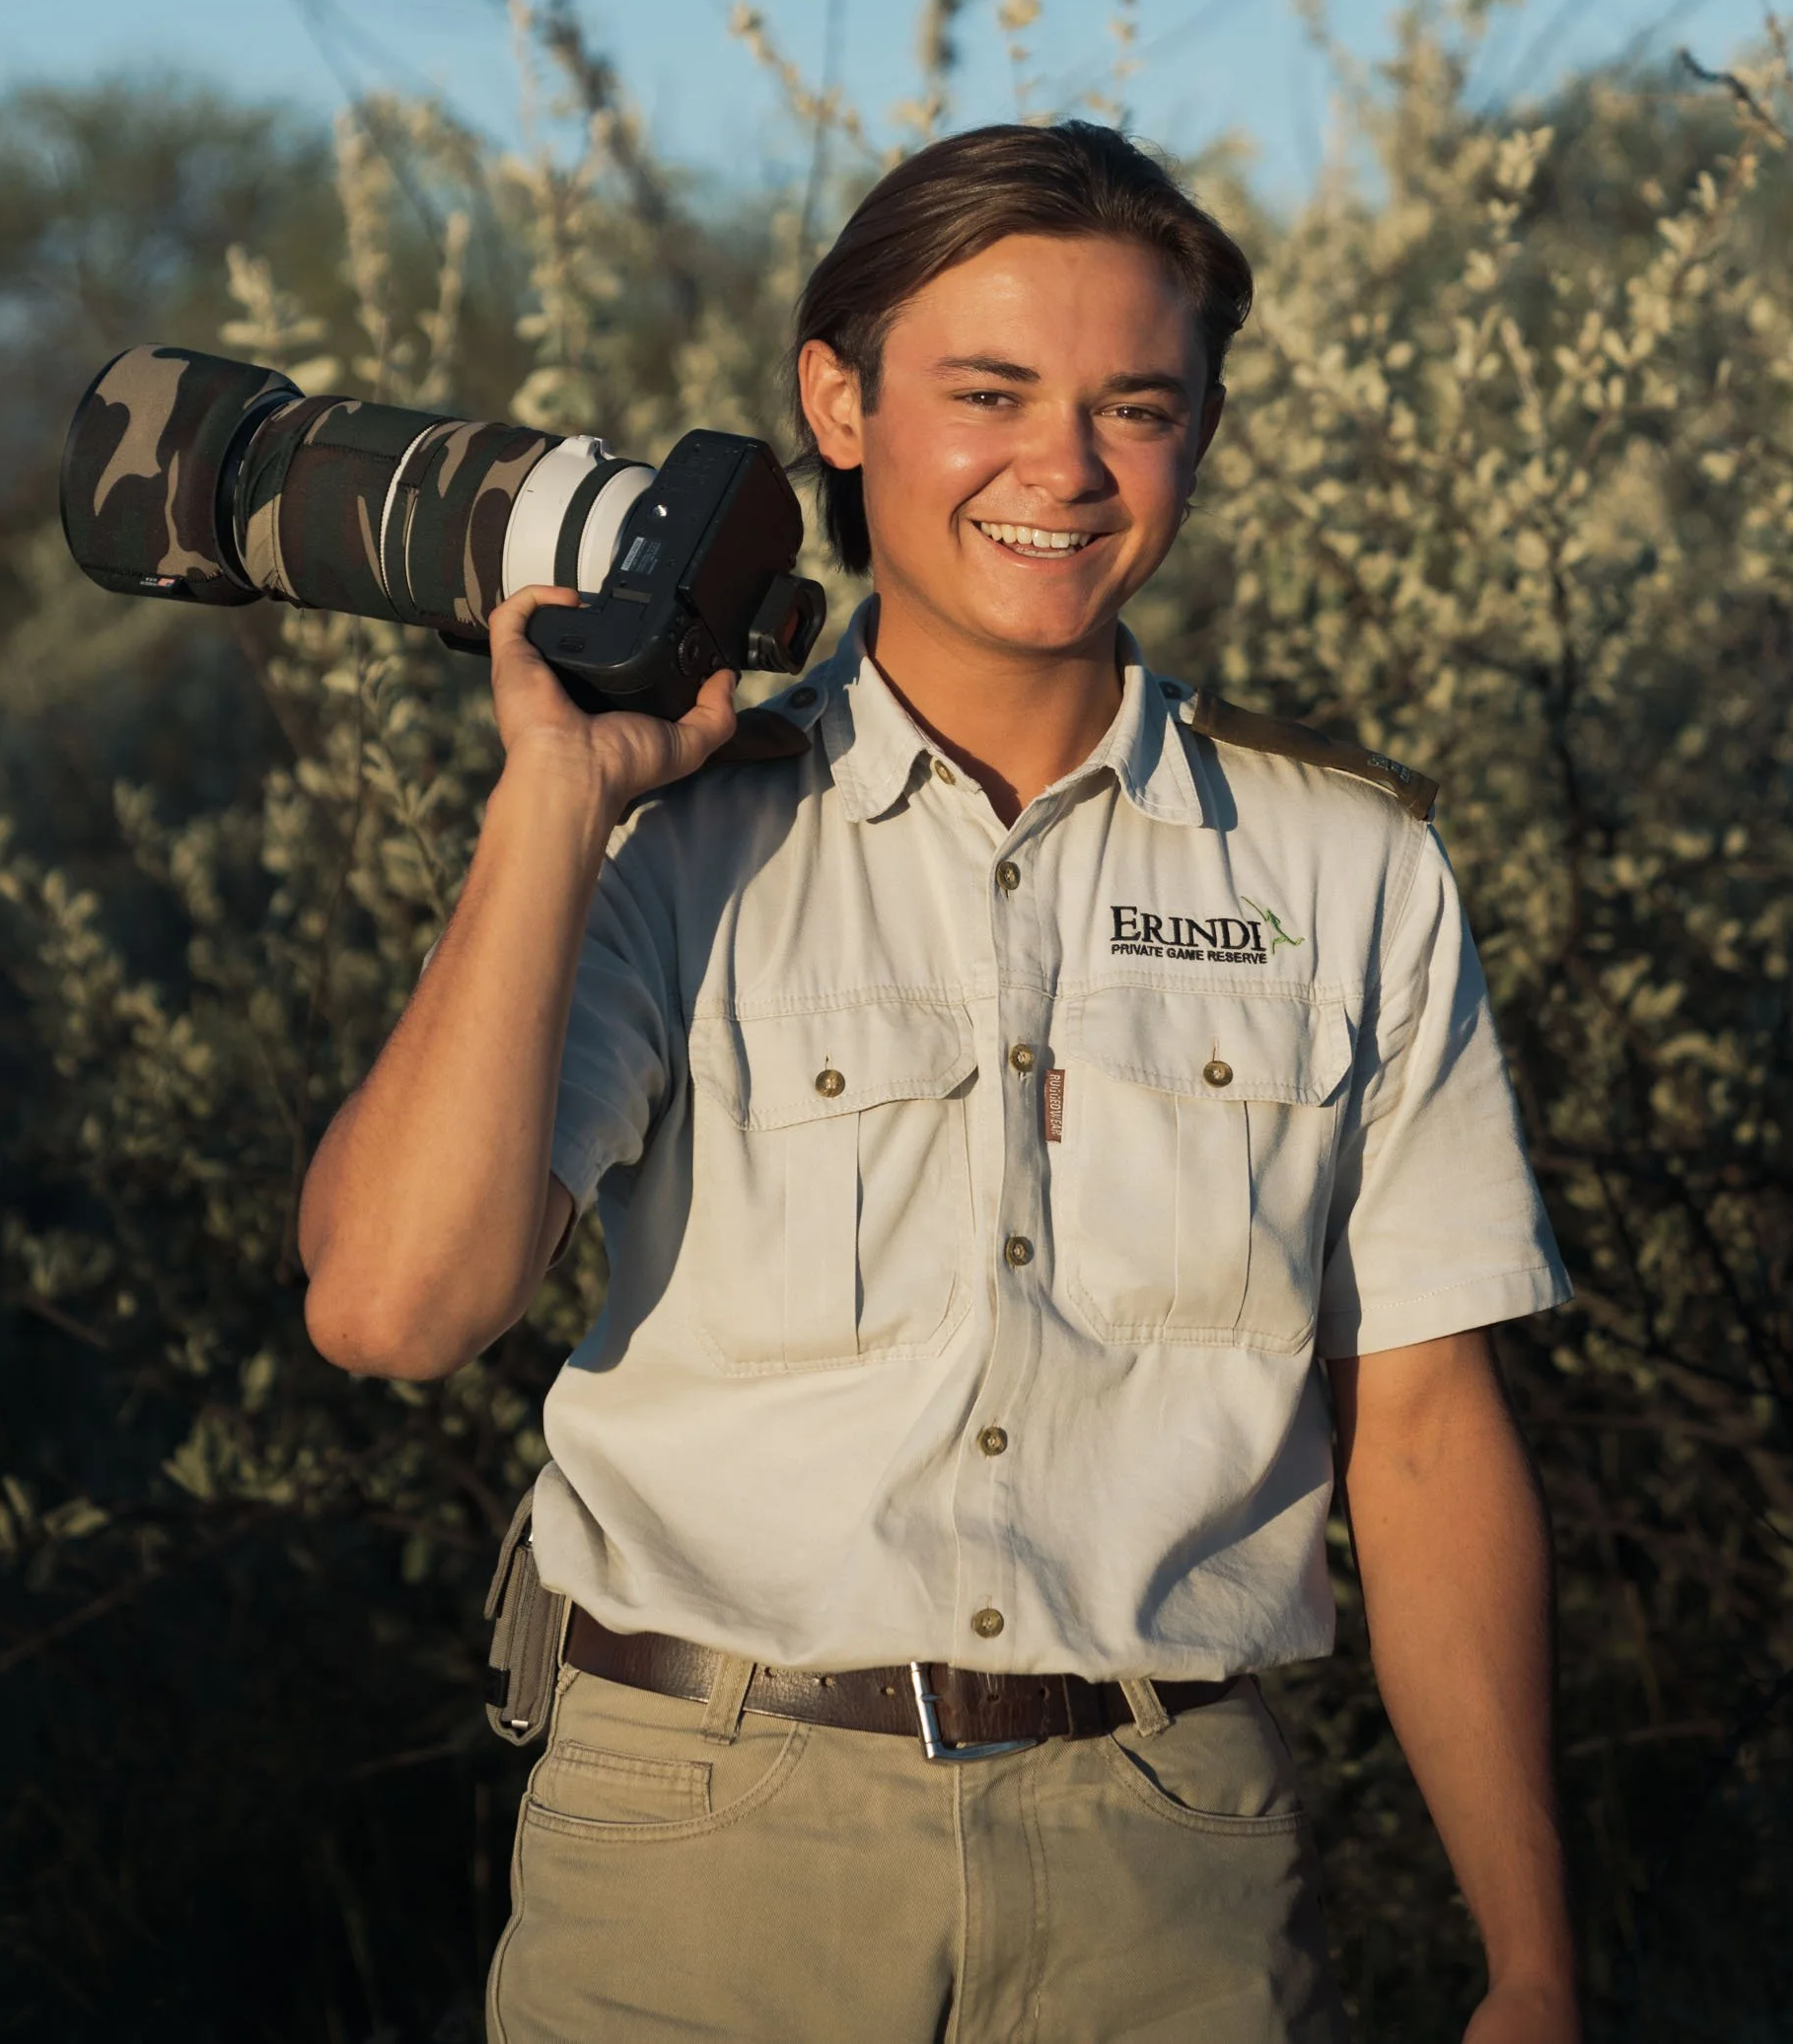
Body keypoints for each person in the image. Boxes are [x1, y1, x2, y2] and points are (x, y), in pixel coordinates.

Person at [298, 121, 1580, 2044]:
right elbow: (395, 1302)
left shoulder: (1348, 864)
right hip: (697, 1850)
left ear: (1201, 430)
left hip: (1173, 1866)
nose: (1060, 467)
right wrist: (551, 797)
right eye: (988, 392)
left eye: (1132, 405)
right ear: (838, 399)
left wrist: (1532, 1960)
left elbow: (1417, 1429)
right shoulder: (665, 839)